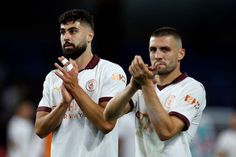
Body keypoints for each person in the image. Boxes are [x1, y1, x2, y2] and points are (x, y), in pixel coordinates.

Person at [34, 9, 127, 157]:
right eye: (62, 32)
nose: (66, 37)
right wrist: (63, 104)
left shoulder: (111, 71)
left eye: (73, 31)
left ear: (90, 36)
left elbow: (106, 123)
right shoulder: (53, 77)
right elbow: (40, 129)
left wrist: (74, 88)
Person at [104, 26, 206, 157]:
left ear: (181, 53)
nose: (157, 56)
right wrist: (132, 86)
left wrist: (146, 85)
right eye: (153, 50)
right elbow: (109, 116)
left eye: (165, 49)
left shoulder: (193, 87)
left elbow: (166, 132)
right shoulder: (142, 85)